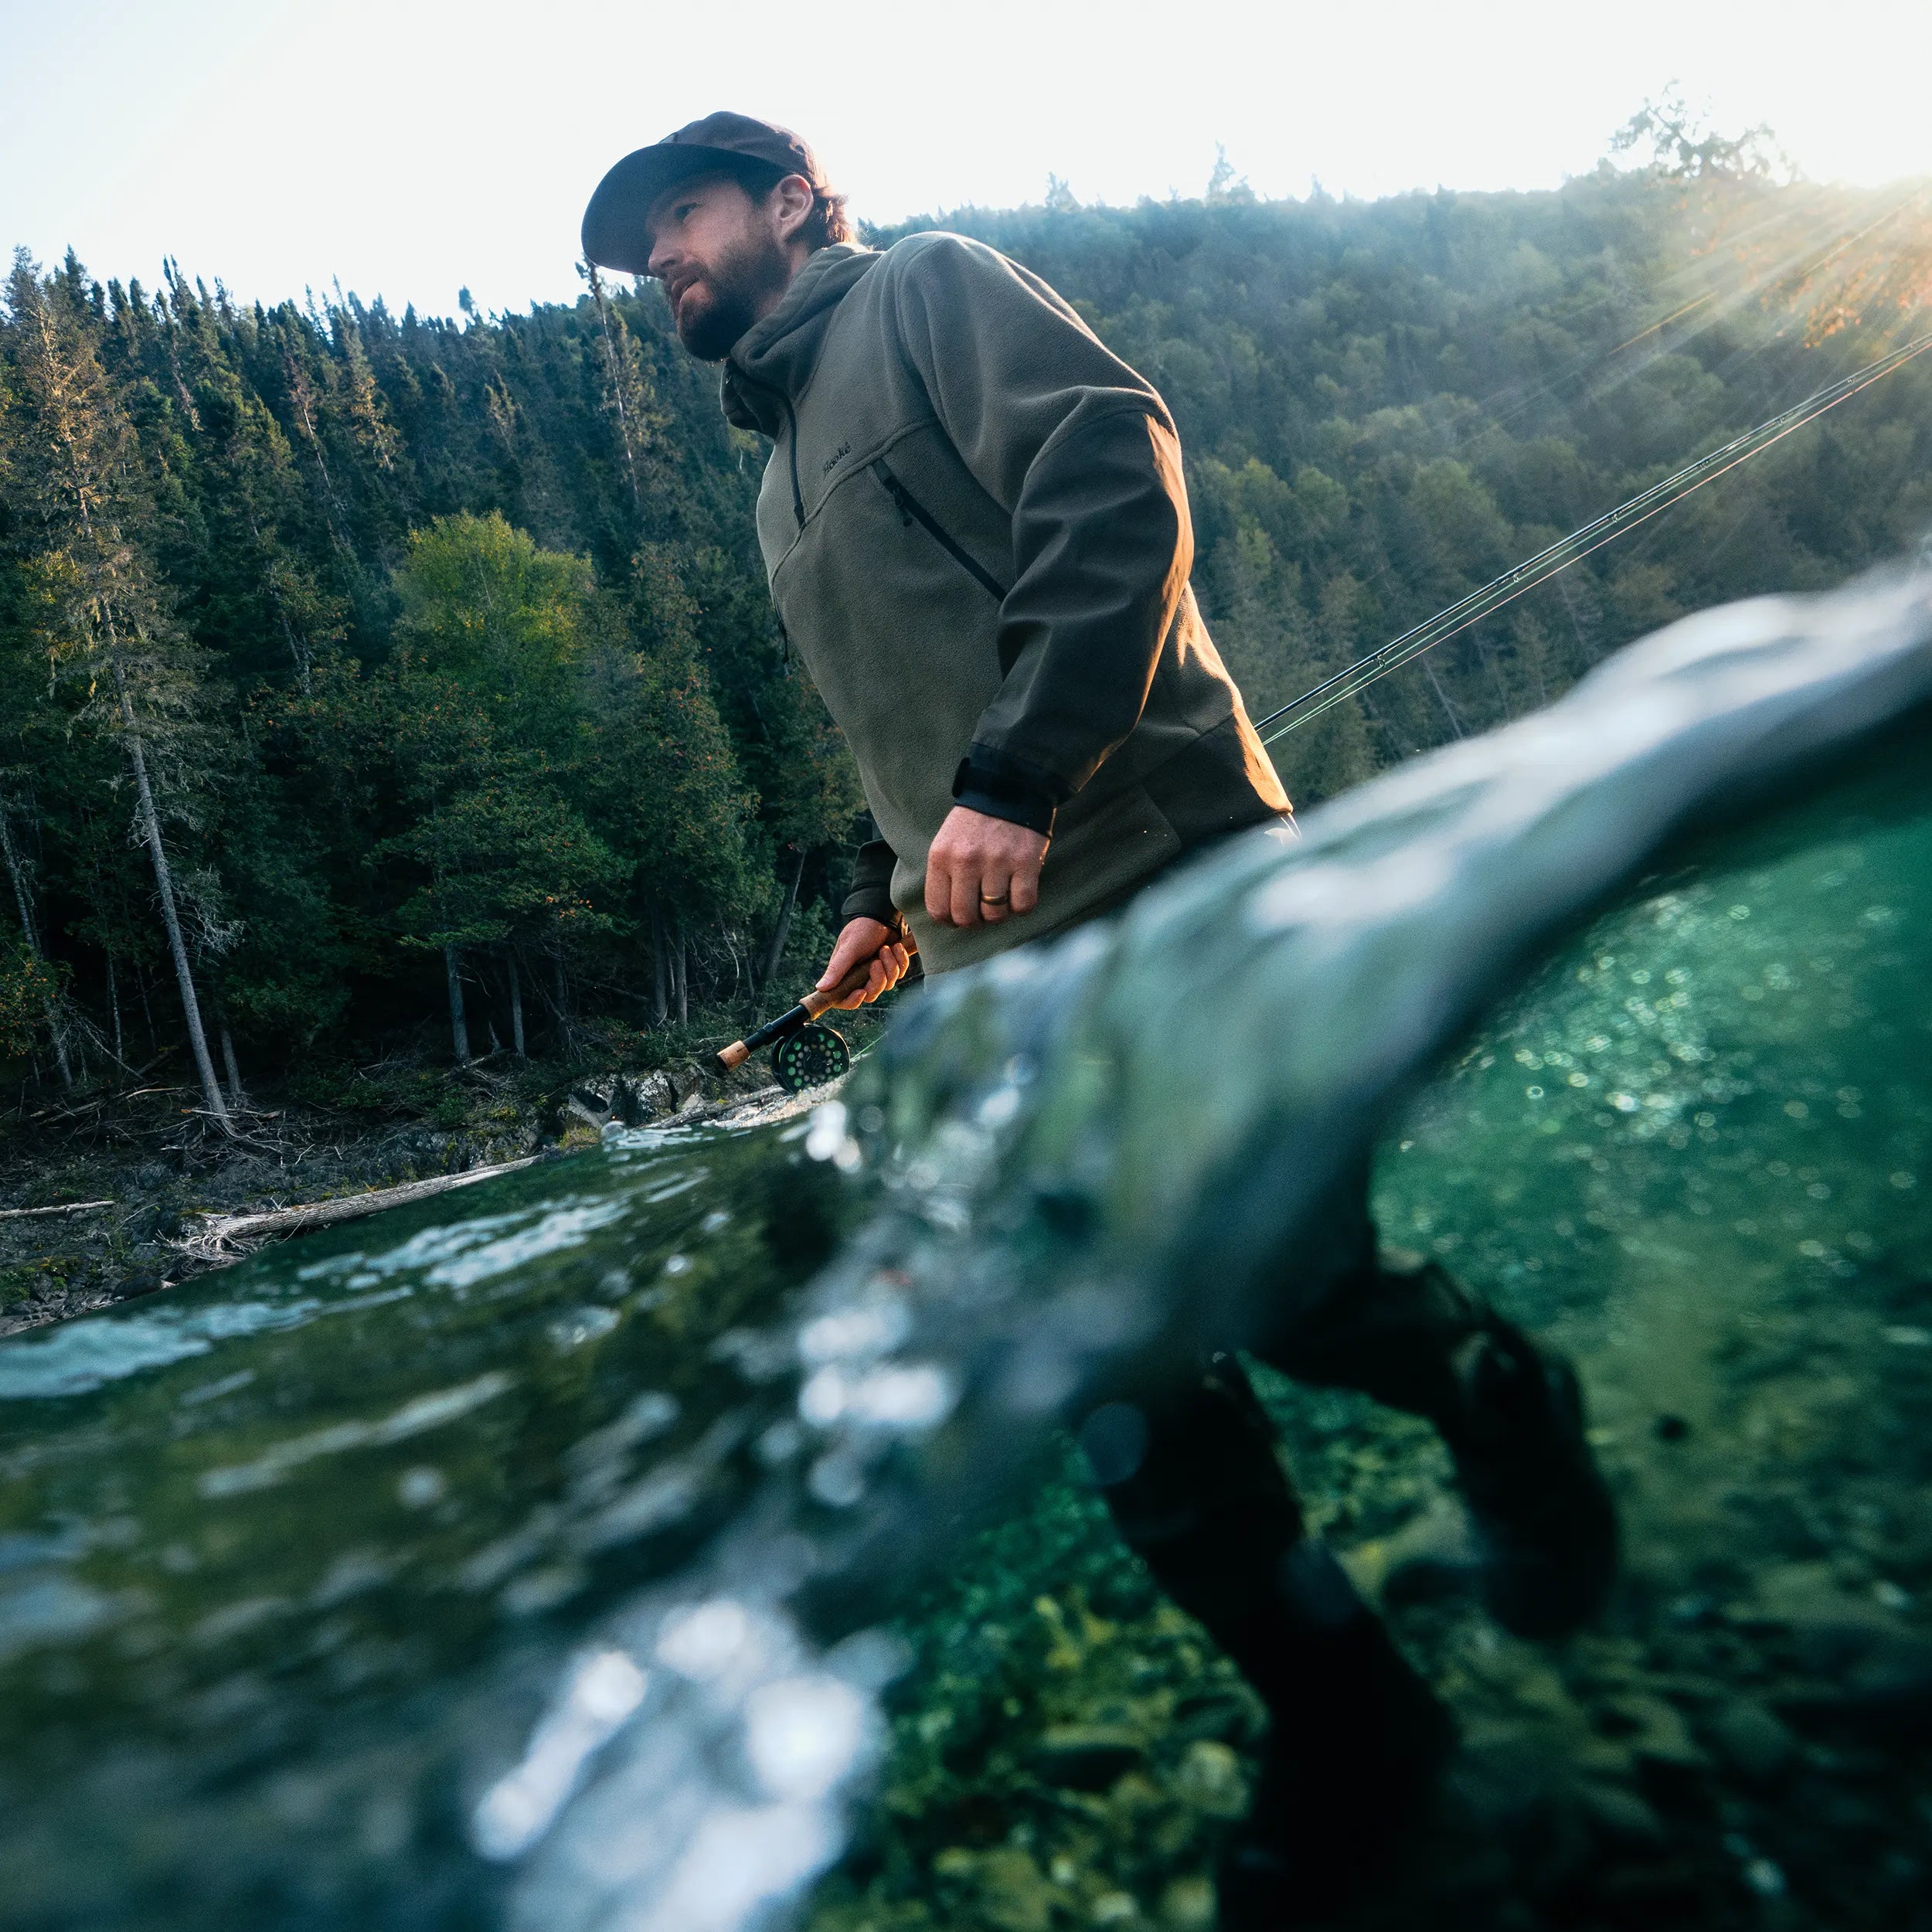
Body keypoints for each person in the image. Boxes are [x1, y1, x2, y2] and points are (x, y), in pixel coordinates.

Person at [583, 114, 1617, 1924]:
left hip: (1167, 867)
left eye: (678, 213)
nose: (655, 255)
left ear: (790, 199)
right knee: (1112, 1369)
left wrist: (1019, 771)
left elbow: (1114, 469)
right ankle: (1354, 1717)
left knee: (1283, 1292)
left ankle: (1512, 1411)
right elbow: (882, 713)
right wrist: (870, 892)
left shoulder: (926, 291)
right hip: (1000, 959)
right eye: (635, 244)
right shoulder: (772, 485)